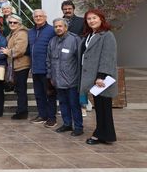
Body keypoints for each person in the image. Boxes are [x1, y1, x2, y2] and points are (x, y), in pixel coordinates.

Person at [80, 9, 117, 145]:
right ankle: (104, 134)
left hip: (102, 79)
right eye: (89, 19)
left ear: (101, 19)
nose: (91, 21)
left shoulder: (107, 35)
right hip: (93, 77)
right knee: (99, 108)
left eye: (94, 18)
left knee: (104, 108)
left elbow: (108, 57)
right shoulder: (91, 35)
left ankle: (102, 134)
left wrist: (101, 76)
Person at [47, 18, 83, 135]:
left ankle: (78, 127)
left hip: (72, 80)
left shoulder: (74, 39)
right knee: (63, 103)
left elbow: (80, 60)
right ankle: (67, 124)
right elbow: (49, 60)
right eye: (56, 26)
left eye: (60, 26)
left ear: (66, 27)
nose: (58, 28)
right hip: (57, 80)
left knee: (74, 104)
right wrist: (50, 76)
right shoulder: (52, 41)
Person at [28, 9, 57, 126]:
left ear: (45, 17)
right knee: (39, 94)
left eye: (40, 16)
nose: (38, 18)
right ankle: (42, 115)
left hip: (47, 69)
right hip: (35, 69)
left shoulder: (51, 30)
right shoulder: (30, 31)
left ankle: (51, 118)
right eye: (36, 16)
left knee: (50, 94)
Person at [1, 14, 31, 119]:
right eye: (10, 22)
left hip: (21, 64)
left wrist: (7, 52)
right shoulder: (12, 33)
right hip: (15, 64)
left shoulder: (22, 33)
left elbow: (20, 50)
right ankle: (21, 110)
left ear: (20, 23)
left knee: (21, 89)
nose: (12, 24)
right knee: (19, 89)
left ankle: (22, 112)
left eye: (15, 22)